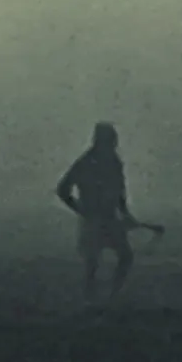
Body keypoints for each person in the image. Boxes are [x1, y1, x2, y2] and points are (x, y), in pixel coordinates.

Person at [55, 121, 146, 296]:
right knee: (93, 263)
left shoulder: (114, 162)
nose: (115, 143)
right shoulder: (85, 162)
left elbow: (119, 191)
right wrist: (81, 210)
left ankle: (113, 295)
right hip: (93, 221)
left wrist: (125, 214)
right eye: (112, 139)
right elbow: (63, 189)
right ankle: (92, 299)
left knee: (125, 257)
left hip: (110, 219)